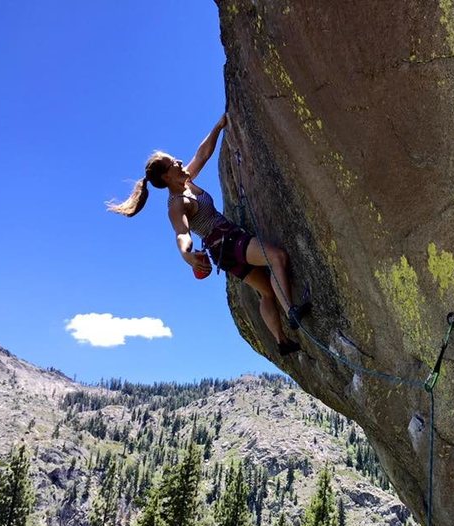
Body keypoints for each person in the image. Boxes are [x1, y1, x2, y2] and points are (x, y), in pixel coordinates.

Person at [107, 114, 309, 355]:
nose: (181, 162)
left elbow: (202, 154)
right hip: (229, 241)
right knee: (277, 257)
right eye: (174, 163)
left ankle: (281, 341)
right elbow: (182, 233)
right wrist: (187, 255)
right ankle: (291, 311)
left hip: (223, 253)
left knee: (266, 291)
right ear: (166, 176)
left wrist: (218, 126)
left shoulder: (187, 183)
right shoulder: (177, 203)